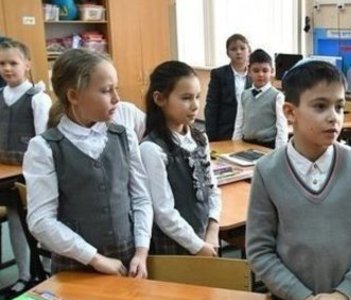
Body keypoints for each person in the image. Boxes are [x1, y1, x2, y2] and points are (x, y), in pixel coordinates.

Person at [246, 60, 351, 300]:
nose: (334, 117)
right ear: (290, 112)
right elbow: (259, 250)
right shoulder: (267, 170)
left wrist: (341, 295)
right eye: (320, 106)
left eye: (339, 107)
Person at [23, 48, 152, 277]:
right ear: (74, 96)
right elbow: (40, 220)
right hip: (75, 264)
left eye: (116, 88)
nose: (116, 98)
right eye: (106, 90)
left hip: (129, 257)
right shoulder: (44, 147)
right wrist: (94, 258)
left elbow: (141, 197)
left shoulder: (124, 136)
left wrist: (141, 252)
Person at [140, 61, 220, 256]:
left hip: (205, 239)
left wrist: (213, 228)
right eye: (186, 98)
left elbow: (212, 188)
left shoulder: (199, 138)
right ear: (159, 99)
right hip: (174, 247)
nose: (195, 105)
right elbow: (164, 213)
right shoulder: (152, 149)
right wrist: (198, 246)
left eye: (197, 97)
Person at [0, 38, 52, 295]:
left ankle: (47, 272)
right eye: (2, 64)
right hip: (6, 175)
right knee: (15, 223)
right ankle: (24, 275)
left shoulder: (37, 99)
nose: (7, 68)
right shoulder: (1, 96)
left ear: (27, 65)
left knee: (41, 224)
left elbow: (44, 140)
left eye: (13, 63)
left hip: (31, 175)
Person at [232, 49, 287, 149]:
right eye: (256, 71)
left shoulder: (277, 96)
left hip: (267, 146)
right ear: (249, 72)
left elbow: (282, 128)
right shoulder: (244, 95)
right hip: (246, 144)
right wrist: (235, 145)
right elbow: (239, 123)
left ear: (272, 71)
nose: (260, 74)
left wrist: (279, 152)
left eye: (265, 70)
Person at [205, 34, 251, 141]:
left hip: (248, 130)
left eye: (242, 48)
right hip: (225, 129)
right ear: (227, 53)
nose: (238, 52)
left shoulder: (254, 75)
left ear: (249, 51)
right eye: (233, 49)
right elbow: (212, 106)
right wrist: (211, 135)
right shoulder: (219, 74)